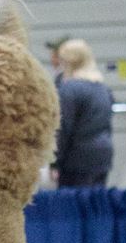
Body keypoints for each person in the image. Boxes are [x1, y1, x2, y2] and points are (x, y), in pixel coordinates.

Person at [48, 37, 114, 188]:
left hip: (77, 161)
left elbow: (63, 129)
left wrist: (54, 163)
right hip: (103, 157)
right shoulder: (102, 88)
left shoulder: (69, 89)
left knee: (74, 207)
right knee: (95, 205)